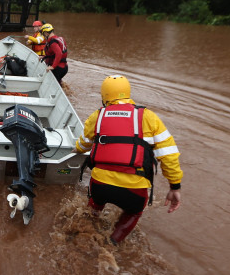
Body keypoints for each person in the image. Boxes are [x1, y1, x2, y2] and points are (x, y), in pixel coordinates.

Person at [75, 75, 183, 245]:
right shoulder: (149, 117)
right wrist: (174, 186)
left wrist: (76, 148)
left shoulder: (98, 116)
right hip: (134, 190)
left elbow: (83, 145)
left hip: (99, 185)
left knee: (95, 203)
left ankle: (85, 228)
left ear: (104, 96)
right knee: (133, 212)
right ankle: (113, 242)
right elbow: (169, 155)